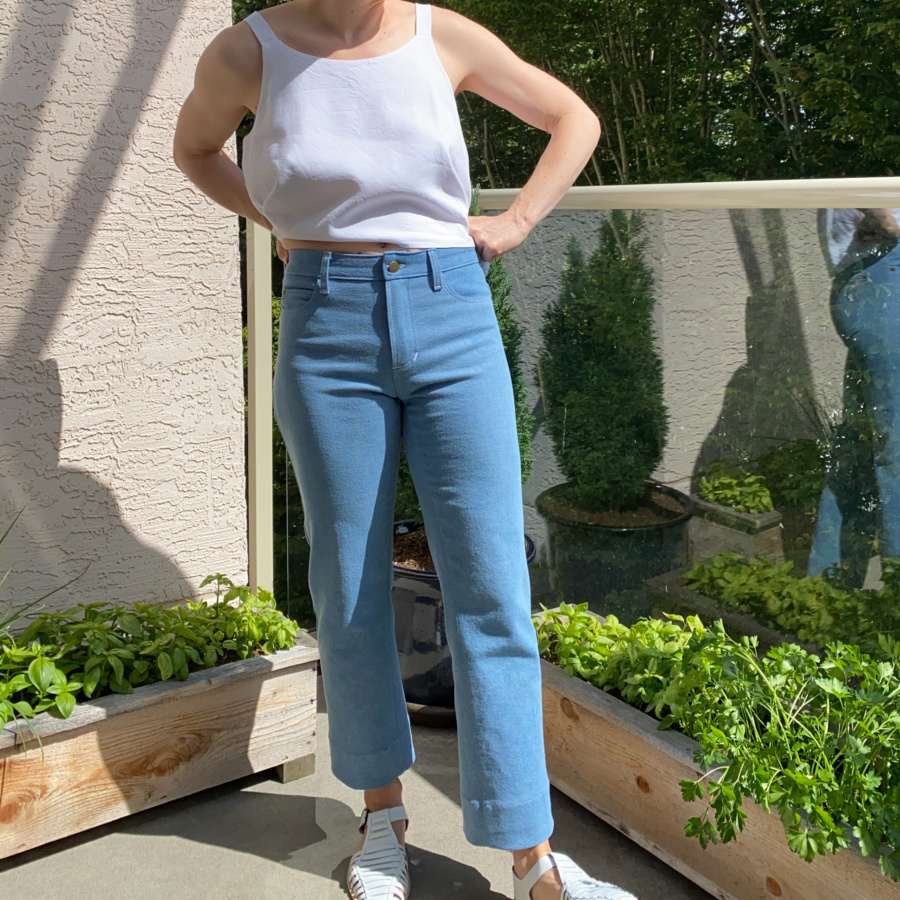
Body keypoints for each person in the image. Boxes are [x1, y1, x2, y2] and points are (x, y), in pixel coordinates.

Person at [173, 3, 632, 899]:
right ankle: (381, 816)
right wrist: (271, 218)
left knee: (492, 584)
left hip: (452, 309)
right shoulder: (246, 51)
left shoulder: (441, 36)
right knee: (348, 585)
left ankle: (533, 854)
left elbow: (574, 117)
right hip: (325, 319)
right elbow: (194, 150)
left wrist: (516, 221)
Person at [808, 208, 900, 587]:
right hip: (885, 271)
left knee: (860, 450)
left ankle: (827, 593)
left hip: (876, 275)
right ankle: (894, 619)